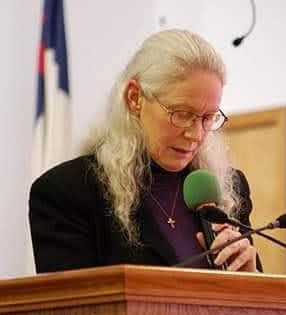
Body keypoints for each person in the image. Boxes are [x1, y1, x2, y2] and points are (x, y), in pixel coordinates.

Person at [29, 29, 262, 274]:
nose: (196, 134)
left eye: (208, 118)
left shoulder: (229, 189)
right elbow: (75, 309)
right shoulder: (67, 192)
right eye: (182, 114)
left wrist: (251, 280)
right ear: (134, 98)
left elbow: (258, 308)